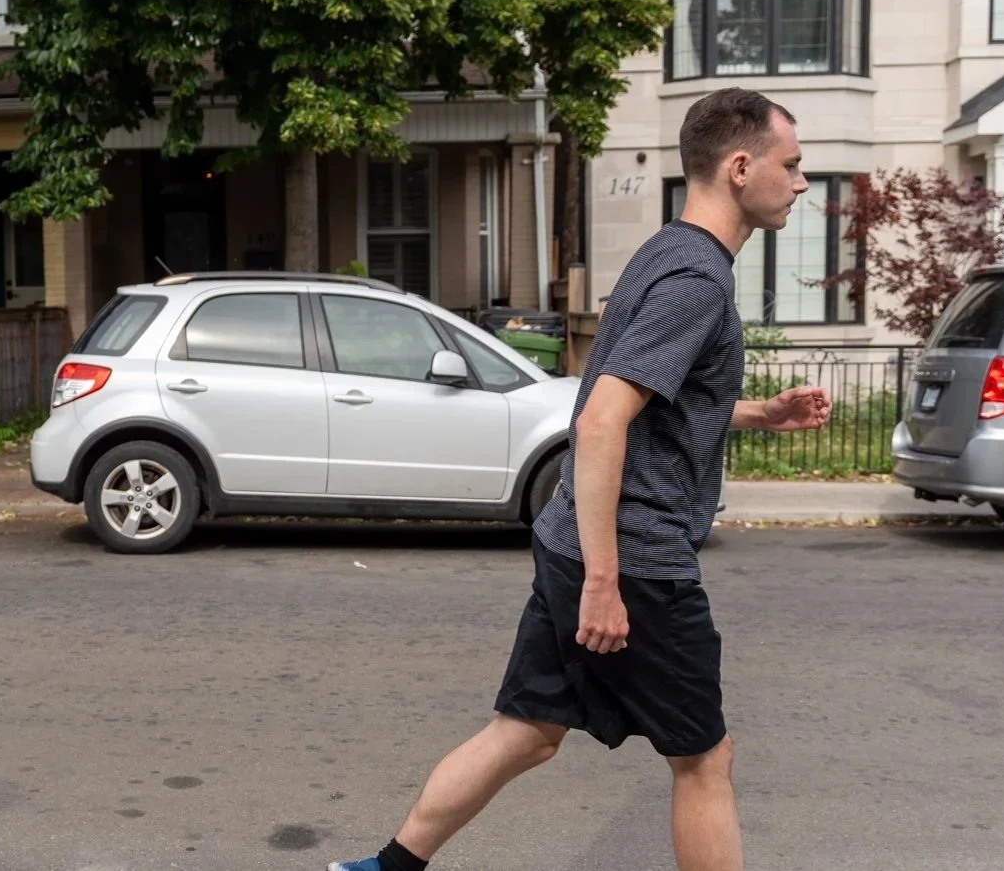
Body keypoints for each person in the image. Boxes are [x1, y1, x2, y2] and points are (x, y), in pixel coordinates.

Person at [328, 88, 833, 871]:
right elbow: (599, 421)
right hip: (633, 559)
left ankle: (381, 869)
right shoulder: (698, 279)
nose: (800, 182)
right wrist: (606, 580)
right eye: (791, 165)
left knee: (526, 731)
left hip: (573, 538)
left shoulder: (666, 251)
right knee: (704, 759)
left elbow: (651, 402)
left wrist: (760, 413)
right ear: (740, 167)